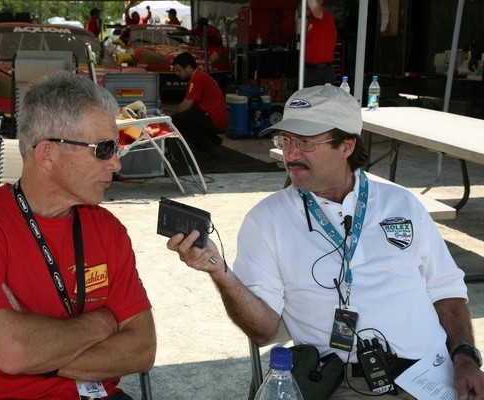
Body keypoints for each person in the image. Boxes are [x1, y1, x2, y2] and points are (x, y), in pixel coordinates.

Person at [165, 84, 484, 399]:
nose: (290, 154)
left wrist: (465, 358)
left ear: (347, 145)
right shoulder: (267, 219)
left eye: (305, 142)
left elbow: (446, 290)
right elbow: (263, 331)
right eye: (285, 140)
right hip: (348, 382)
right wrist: (221, 273)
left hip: (434, 374)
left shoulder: (402, 204)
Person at [0, 71, 156, 399]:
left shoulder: (107, 229)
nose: (116, 164)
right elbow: (13, 352)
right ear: (48, 154)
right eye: (104, 149)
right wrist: (101, 323)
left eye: (117, 148)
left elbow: (142, 349)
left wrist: (38, 354)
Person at [170, 51, 227, 160]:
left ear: (188, 67)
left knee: (177, 120)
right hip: (214, 116)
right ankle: (212, 139)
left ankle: (205, 146)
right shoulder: (199, 76)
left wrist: (169, 117)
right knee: (186, 116)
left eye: (179, 70)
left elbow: (185, 105)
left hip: (215, 119)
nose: (177, 73)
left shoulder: (197, 79)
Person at [304, 0, 337, 87]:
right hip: (309, 71)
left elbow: (314, 7)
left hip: (322, 72)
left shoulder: (326, 16)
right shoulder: (311, 21)